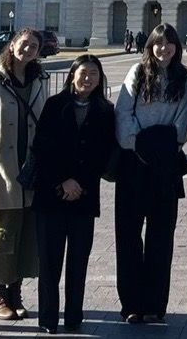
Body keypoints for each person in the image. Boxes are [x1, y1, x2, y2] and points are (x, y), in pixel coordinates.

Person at [30, 54, 119, 335]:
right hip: (51, 195)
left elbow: (104, 153)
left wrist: (79, 183)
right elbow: (41, 148)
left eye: (94, 73)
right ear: (72, 75)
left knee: (78, 261)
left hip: (85, 195)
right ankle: (47, 318)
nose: (88, 78)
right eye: (83, 72)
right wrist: (62, 181)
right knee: (50, 261)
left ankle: (73, 316)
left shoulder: (105, 110)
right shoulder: (55, 105)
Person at [114, 23, 187, 324]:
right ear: (150, 46)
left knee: (162, 238)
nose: (164, 48)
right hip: (134, 164)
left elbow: (182, 127)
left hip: (165, 165)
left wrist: (157, 145)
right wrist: (138, 145)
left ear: (177, 47)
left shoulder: (184, 79)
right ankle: (132, 303)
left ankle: (154, 304)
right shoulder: (137, 72)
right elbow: (123, 113)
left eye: (170, 43)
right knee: (129, 236)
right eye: (159, 43)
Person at [0, 27, 49, 321]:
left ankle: (15, 291)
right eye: (24, 44)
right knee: (2, 234)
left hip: (31, 167)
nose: (28, 50)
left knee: (25, 236)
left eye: (34, 46)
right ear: (12, 45)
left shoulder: (39, 80)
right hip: (3, 168)